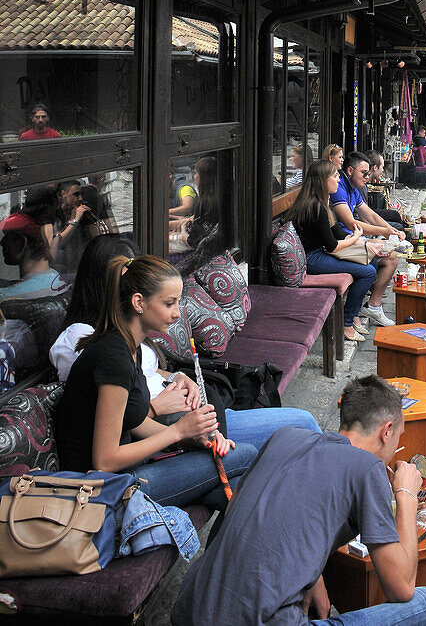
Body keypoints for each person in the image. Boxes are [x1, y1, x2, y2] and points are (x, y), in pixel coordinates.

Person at [171, 375, 426, 626]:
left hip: (189, 610)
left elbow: (254, 514)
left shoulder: (286, 436)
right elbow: (401, 588)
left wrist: (313, 575)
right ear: (387, 430)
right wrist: (406, 495)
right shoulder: (367, 468)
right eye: (398, 438)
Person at [55, 254, 256, 523]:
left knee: (234, 494)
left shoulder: (130, 347)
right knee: (246, 455)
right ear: (139, 303)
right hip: (102, 493)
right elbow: (104, 460)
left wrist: (193, 438)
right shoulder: (113, 359)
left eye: (178, 302)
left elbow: (134, 422)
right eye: (169, 303)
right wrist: (177, 431)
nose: (177, 312)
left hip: (124, 475)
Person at [50, 236, 199, 423]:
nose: (139, 286)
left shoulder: (128, 338)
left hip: (168, 421)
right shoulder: (93, 342)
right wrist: (165, 419)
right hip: (153, 431)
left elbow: (144, 374)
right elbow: (109, 425)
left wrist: (177, 377)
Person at [291, 160, 377, 344]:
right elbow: (332, 246)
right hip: (312, 259)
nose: (338, 181)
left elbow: (335, 230)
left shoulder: (322, 202)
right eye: (335, 176)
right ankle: (346, 322)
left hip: (320, 252)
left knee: (373, 261)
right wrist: (355, 240)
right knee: (369, 272)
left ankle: (353, 314)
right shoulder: (315, 207)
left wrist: (360, 240)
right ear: (323, 180)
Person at [331, 151, 401, 327]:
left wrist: (388, 229)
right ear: (349, 170)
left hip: (350, 238)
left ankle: (371, 306)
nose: (368, 177)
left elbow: (369, 214)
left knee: (388, 254)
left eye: (369, 172)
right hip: (343, 240)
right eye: (364, 173)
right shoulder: (338, 189)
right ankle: (355, 313)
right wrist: (384, 233)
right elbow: (350, 222)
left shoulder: (353, 188)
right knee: (375, 262)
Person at [0, 212, 68, 301]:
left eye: (8, 237)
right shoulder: (58, 280)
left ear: (23, 243)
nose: (2, 242)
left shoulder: (5, 297)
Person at [51, 179, 92, 270]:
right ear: (63, 194)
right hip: (62, 262)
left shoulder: (82, 210)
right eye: (76, 194)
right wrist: (75, 220)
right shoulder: (55, 214)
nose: (80, 198)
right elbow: (57, 244)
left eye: (81, 194)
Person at [364, 150, 405, 229]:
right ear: (375, 167)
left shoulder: (364, 183)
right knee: (396, 220)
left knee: (395, 216)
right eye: (382, 167)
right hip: (364, 217)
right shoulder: (361, 184)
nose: (382, 170)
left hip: (366, 214)